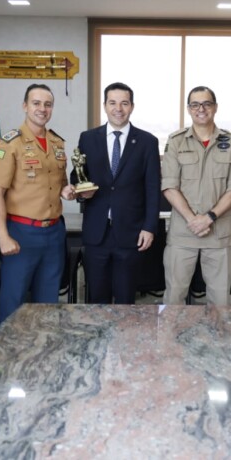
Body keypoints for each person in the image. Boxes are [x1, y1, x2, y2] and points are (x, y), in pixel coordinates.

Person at [0, 84, 76, 324]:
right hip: (21, 233)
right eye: (36, 103)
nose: (42, 109)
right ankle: (6, 359)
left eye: (47, 104)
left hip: (54, 232)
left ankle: (40, 356)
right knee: (12, 302)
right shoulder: (9, 143)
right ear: (25, 106)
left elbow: (60, 184)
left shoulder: (57, 143)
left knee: (47, 303)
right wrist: (2, 237)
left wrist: (68, 191)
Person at [72, 82, 161, 304]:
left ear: (132, 106)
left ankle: (124, 340)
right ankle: (98, 340)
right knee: (96, 299)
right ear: (104, 105)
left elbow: (152, 188)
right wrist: (81, 192)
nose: (118, 108)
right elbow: (78, 176)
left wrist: (149, 227)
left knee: (125, 301)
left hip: (131, 234)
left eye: (124, 103)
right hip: (96, 233)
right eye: (112, 102)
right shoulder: (88, 138)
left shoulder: (147, 142)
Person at [162, 86, 231, 306]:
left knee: (220, 302)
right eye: (195, 104)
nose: (201, 109)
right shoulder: (176, 141)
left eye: (207, 103)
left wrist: (208, 217)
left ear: (215, 107)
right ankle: (171, 341)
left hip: (219, 234)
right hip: (183, 233)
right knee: (173, 298)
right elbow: (169, 186)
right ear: (189, 109)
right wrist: (193, 219)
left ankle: (217, 341)